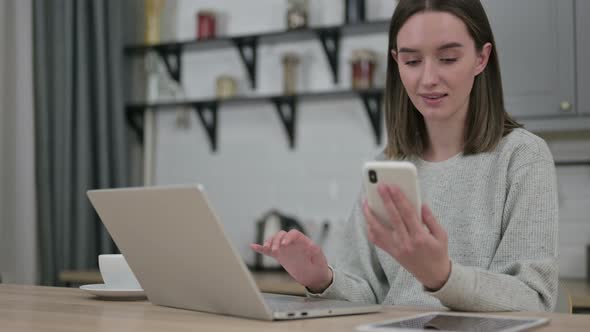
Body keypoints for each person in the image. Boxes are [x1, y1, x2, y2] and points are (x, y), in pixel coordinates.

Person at [251, 0, 558, 312]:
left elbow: (534, 300)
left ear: (481, 58)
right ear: (396, 62)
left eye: (448, 58)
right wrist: (321, 279)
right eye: (412, 62)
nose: (427, 79)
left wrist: (442, 276)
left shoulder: (522, 157)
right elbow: (367, 293)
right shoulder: (388, 165)